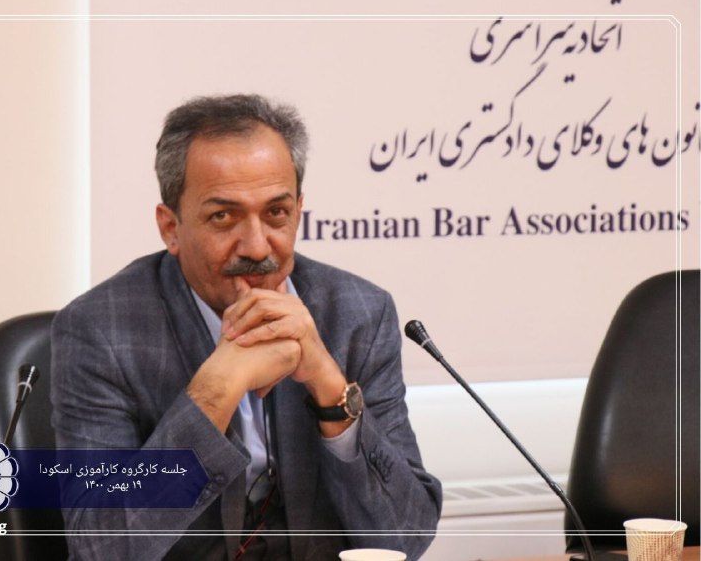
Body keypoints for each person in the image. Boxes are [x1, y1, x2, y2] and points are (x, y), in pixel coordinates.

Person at [50, 94, 442, 560]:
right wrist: (216, 390)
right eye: (223, 216)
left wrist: (329, 386)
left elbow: (407, 537)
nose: (257, 247)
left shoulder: (357, 314)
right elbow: (103, 548)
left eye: (276, 213)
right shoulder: (101, 330)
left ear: (298, 210)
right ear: (170, 228)